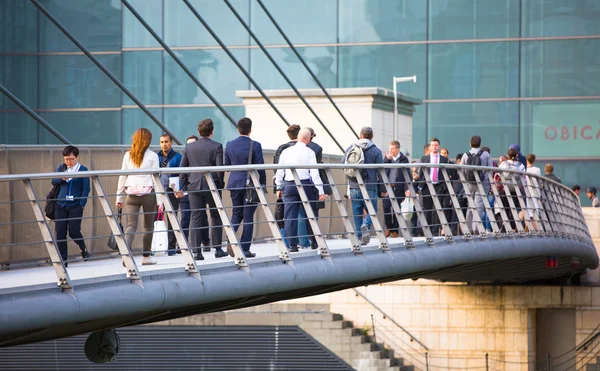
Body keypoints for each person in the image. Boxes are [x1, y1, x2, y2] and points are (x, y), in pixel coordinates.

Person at [180, 119, 227, 260]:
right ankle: (217, 249)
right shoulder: (217, 146)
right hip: (212, 185)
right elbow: (220, 169)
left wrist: (186, 184)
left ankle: (197, 252)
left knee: (196, 217)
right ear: (212, 132)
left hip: (194, 186)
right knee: (215, 216)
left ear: (199, 132)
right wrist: (220, 185)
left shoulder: (189, 148)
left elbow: (182, 169)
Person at [275, 128, 327, 252]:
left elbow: (279, 172)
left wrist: (278, 186)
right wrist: (320, 190)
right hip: (305, 185)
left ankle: (292, 245)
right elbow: (314, 174)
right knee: (310, 213)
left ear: (298, 137)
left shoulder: (286, 152)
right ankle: (314, 242)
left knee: (290, 216)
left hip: (289, 185)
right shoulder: (310, 152)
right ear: (308, 139)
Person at [116, 128, 161, 265]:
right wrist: (160, 201)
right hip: (148, 194)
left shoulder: (128, 155)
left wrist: (119, 197)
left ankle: (126, 256)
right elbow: (156, 179)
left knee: (131, 225)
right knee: (148, 227)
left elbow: (123, 176)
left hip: (131, 194)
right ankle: (146, 257)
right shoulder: (153, 156)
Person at [224, 117, 266, 258]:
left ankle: (230, 240)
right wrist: (263, 183)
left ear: (238, 129)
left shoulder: (229, 145)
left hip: (234, 183)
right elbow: (260, 167)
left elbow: (227, 166)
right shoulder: (255, 145)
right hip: (250, 185)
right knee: (248, 216)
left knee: (236, 214)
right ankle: (245, 248)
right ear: (250, 129)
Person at [51, 145, 90, 266]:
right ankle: (63, 260)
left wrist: (81, 204)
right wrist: (63, 177)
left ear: (77, 158)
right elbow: (53, 181)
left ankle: (82, 247)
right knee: (60, 233)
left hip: (75, 205)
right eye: (66, 159)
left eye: (71, 159)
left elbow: (86, 189)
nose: (69, 162)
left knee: (73, 231)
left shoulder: (83, 170)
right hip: (60, 204)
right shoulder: (61, 168)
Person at [344, 126, 384, 245]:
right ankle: (365, 224)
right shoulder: (376, 151)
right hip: (370, 186)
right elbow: (380, 171)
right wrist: (382, 189)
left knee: (357, 212)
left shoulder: (351, 148)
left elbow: (343, 163)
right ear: (372, 136)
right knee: (373, 210)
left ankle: (359, 238)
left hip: (354, 185)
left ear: (360, 135)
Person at [461, 136, 494, 232]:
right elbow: (490, 170)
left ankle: (468, 228)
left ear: (470, 144)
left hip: (469, 183)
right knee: (479, 206)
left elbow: (462, 170)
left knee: (470, 205)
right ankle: (476, 228)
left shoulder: (465, 155)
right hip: (482, 183)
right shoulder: (486, 154)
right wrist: (488, 181)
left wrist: (466, 180)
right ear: (480, 144)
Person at [157, 133, 182, 256]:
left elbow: (182, 175)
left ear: (171, 143)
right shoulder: (156, 157)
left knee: (172, 218)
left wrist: (179, 189)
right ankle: (155, 246)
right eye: (161, 142)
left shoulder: (177, 157)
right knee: (155, 218)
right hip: (158, 191)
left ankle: (171, 247)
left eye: (166, 142)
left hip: (172, 191)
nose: (164, 144)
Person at [418, 138, 449, 236]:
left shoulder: (444, 159)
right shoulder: (424, 159)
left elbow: (446, 173)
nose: (434, 147)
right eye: (432, 145)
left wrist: (444, 185)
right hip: (427, 186)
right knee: (427, 209)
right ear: (430, 147)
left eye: (436, 145)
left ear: (438, 146)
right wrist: (420, 186)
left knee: (437, 209)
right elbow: (421, 173)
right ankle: (428, 231)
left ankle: (435, 232)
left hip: (438, 186)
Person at [175, 135, 199, 248]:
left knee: (200, 218)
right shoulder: (183, 157)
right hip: (185, 192)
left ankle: (202, 242)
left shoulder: (199, 159)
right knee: (185, 219)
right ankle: (182, 245)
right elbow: (181, 174)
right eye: (188, 144)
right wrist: (184, 190)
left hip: (197, 192)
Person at [381, 140, 409, 238]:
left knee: (397, 209)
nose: (390, 151)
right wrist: (387, 160)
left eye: (392, 149)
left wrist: (407, 189)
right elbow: (382, 171)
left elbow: (407, 175)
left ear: (397, 149)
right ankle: (388, 227)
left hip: (399, 188)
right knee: (386, 207)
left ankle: (395, 230)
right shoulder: (387, 158)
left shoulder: (404, 159)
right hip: (387, 188)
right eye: (390, 149)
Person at [498, 148, 526, 231]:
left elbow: (499, 174)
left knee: (506, 208)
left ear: (508, 156)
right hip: (516, 190)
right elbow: (523, 176)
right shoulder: (520, 165)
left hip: (506, 189)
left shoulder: (503, 164)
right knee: (517, 208)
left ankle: (506, 226)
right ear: (516, 155)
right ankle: (515, 227)